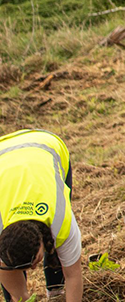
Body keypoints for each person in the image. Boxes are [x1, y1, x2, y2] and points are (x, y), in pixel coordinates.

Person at [0, 129, 83, 302]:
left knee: (56, 245)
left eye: (34, 260)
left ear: (40, 244)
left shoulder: (61, 222)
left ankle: (55, 290)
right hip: (3, 152)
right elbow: (17, 294)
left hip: (46, 145)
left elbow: (74, 276)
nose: (32, 268)